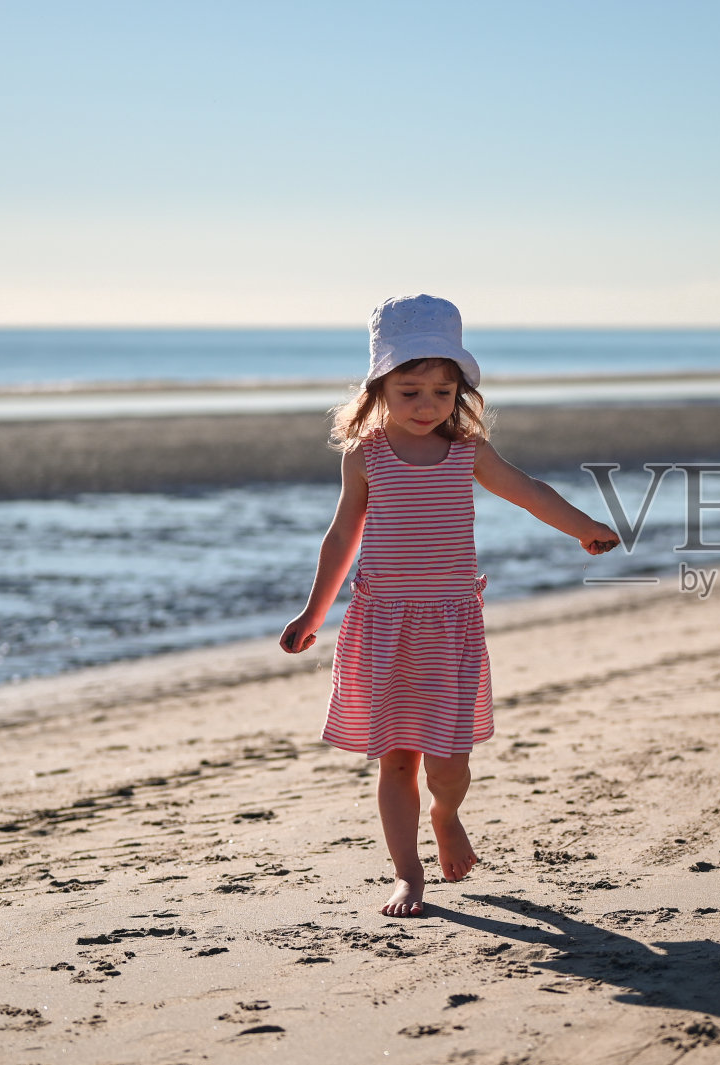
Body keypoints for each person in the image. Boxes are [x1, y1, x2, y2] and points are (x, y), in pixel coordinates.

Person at [280, 294, 619, 918]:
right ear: (380, 388)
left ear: (460, 393)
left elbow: (530, 493)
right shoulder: (368, 457)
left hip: (448, 626)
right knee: (398, 757)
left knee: (449, 762)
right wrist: (313, 613)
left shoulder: (469, 452)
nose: (426, 405)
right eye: (410, 391)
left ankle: (447, 815)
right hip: (384, 627)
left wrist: (583, 526)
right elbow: (341, 538)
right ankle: (408, 875)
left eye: (441, 391)